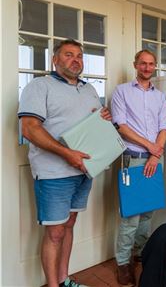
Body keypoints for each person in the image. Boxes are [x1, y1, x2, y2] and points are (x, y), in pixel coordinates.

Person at [18, 39, 111, 287]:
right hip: (53, 173)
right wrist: (67, 154)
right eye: (68, 54)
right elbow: (29, 129)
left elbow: (95, 121)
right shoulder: (39, 86)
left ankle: (64, 279)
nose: (76, 59)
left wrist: (103, 117)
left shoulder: (89, 89)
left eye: (79, 55)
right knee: (55, 232)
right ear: (55, 59)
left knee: (69, 225)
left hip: (84, 171)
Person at [111, 49, 166, 285]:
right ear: (135, 64)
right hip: (132, 158)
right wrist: (151, 148)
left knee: (148, 213)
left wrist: (155, 155)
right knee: (131, 216)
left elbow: (164, 127)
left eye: (151, 64)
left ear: (155, 67)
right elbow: (121, 127)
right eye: (143, 63)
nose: (147, 67)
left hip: (154, 159)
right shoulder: (121, 91)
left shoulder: (160, 96)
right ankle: (123, 263)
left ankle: (140, 253)